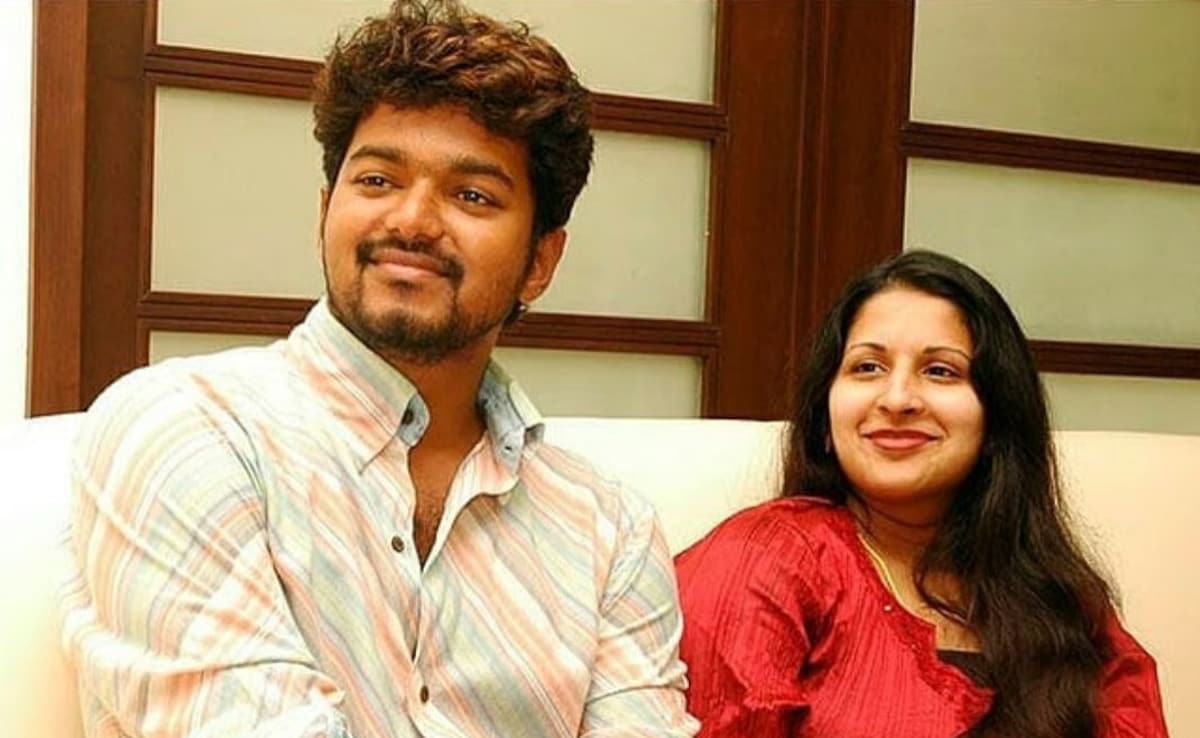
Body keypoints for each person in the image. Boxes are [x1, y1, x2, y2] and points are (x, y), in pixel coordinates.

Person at [58, 2, 697, 736]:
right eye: (376, 180)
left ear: (541, 261)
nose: (412, 222)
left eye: (472, 195)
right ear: (325, 211)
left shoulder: (609, 527)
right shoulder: (187, 430)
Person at [675, 250, 1167, 737]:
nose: (897, 399)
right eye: (868, 367)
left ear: (997, 419)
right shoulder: (766, 558)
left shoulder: (1057, 599)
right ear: (825, 418)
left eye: (940, 371)